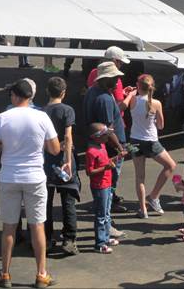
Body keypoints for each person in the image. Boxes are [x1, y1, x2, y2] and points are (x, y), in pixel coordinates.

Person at [0, 79, 60, 288]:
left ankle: (6, 273)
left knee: (9, 226)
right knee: (37, 225)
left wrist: (5, 148)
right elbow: (55, 149)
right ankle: (41, 274)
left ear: (15, 96)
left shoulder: (3, 118)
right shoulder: (42, 116)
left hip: (9, 176)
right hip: (35, 176)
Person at [125, 74, 176, 219]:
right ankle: (153, 196)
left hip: (134, 140)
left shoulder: (132, 100)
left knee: (140, 176)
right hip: (151, 141)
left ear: (138, 85)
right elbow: (161, 125)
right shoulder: (156, 103)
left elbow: (126, 101)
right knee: (170, 165)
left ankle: (143, 209)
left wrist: (130, 93)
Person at [84, 61, 128, 215]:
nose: (117, 81)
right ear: (105, 79)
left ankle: (105, 210)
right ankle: (106, 217)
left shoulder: (92, 91)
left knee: (104, 186)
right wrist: (120, 148)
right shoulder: (104, 99)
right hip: (109, 149)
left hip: (99, 146)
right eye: (114, 78)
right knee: (108, 184)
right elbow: (108, 130)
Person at [43, 77, 80, 256]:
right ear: (63, 93)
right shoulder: (67, 110)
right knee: (68, 201)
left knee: (45, 202)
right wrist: (68, 161)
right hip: (63, 161)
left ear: (47, 92)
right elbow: (68, 136)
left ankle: (47, 238)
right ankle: (69, 239)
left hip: (47, 162)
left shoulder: (42, 112)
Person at [85, 123, 119, 254]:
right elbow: (89, 172)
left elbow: (105, 162)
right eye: (105, 135)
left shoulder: (102, 146)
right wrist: (106, 168)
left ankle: (105, 237)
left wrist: (116, 158)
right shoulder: (91, 152)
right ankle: (100, 243)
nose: (107, 138)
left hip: (107, 183)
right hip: (99, 187)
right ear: (96, 137)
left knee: (106, 213)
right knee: (101, 215)